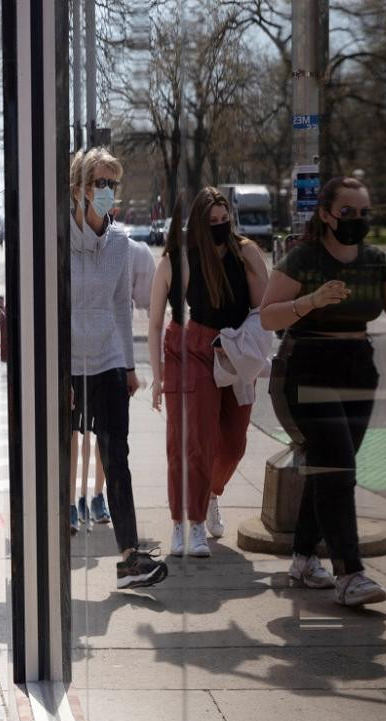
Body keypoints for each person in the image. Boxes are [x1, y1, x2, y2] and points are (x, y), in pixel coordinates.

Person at [260, 176, 386, 606]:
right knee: (339, 468)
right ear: (326, 215)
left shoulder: (377, 262)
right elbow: (267, 317)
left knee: (328, 467)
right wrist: (311, 301)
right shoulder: (303, 259)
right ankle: (349, 573)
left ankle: (302, 558)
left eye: (364, 213)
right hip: (307, 367)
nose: (357, 220)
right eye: (347, 212)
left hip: (358, 371)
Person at [67, 147, 167, 590]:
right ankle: (53, 548)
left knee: (117, 458)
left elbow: (123, 309)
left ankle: (129, 556)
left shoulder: (123, 246)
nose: (106, 191)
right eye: (98, 183)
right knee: (56, 459)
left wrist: (128, 365)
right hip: (66, 367)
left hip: (107, 362)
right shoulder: (56, 242)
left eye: (111, 183)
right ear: (78, 190)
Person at [149, 187, 269, 557]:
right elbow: (155, 322)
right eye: (212, 222)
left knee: (233, 445)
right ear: (198, 225)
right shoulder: (178, 260)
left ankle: (211, 493)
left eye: (224, 220)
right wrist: (157, 375)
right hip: (191, 350)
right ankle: (189, 523)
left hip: (235, 352)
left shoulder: (245, 252)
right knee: (193, 441)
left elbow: (265, 309)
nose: (220, 227)